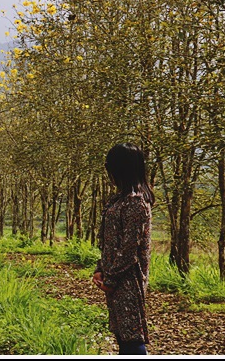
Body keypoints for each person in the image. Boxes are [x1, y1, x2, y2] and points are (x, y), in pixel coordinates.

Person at [92, 143, 154, 355]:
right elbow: (108, 241)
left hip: (128, 280)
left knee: (132, 337)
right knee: (121, 336)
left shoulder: (136, 203)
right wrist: (100, 268)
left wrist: (110, 279)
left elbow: (129, 248)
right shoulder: (118, 200)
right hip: (115, 279)